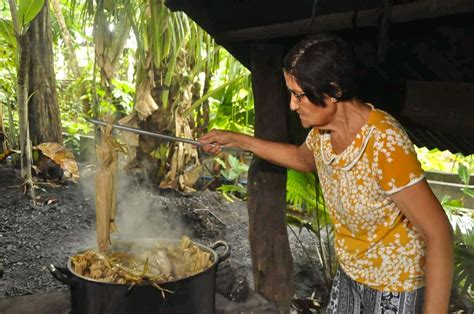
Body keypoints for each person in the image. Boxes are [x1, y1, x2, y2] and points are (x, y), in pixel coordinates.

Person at [199, 33, 454, 313]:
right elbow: (301, 158)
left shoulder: (384, 143)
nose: (292, 105)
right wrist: (237, 140)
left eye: (299, 95)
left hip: (395, 285)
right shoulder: (322, 132)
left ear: (333, 91)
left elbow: (439, 232)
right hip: (351, 274)